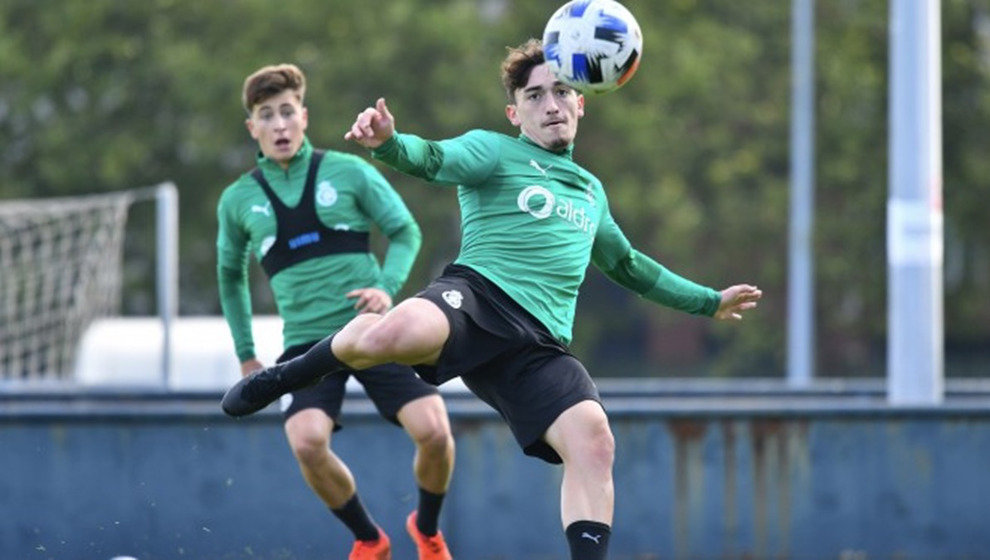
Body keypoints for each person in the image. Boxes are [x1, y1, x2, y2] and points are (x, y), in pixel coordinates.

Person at [223, 43, 762, 560]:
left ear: (581, 103)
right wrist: (389, 141)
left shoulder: (591, 192)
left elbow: (629, 267)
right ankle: (282, 377)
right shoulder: (493, 150)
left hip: (539, 345)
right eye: (534, 96)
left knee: (594, 440)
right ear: (514, 112)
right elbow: (433, 157)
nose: (550, 104)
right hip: (476, 300)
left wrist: (707, 301)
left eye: (560, 93)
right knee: (393, 334)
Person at [216, 63, 455, 560]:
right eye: (267, 115)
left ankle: (427, 531)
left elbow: (406, 230)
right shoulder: (238, 200)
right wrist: (245, 354)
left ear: (304, 117)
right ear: (252, 127)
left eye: (287, 112)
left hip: (372, 332)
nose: (279, 124)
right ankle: (370, 540)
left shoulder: (348, 171)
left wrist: (387, 289)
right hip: (307, 343)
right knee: (306, 442)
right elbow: (229, 277)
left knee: (434, 432)